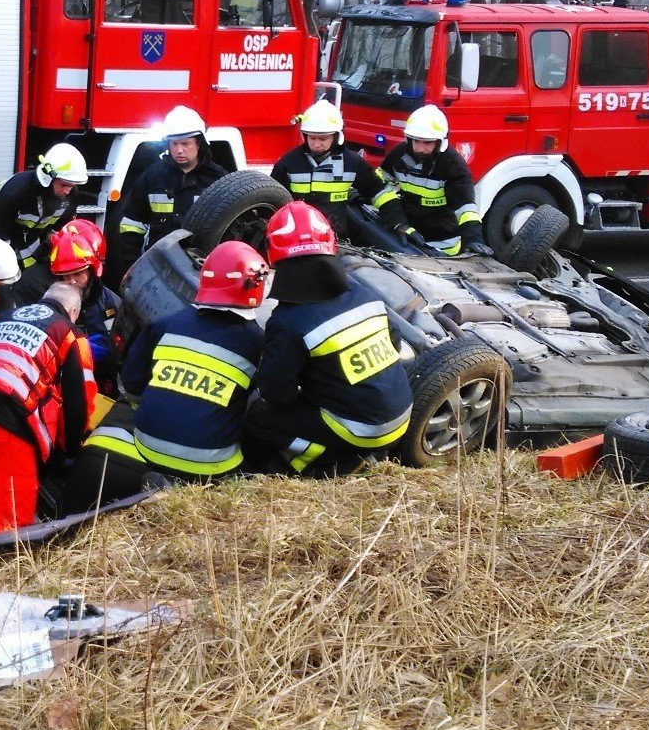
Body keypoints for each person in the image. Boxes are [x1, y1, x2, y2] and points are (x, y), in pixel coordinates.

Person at [66, 240, 268, 511]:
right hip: (211, 465)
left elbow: (131, 383)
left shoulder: (165, 325)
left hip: (146, 446)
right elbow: (265, 401)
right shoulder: (259, 343)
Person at [244, 202, 412, 475]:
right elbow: (394, 346)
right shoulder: (365, 295)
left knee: (259, 417)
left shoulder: (289, 322)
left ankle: (325, 465)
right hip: (402, 416)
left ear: (273, 252)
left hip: (361, 432)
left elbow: (277, 395)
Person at [0, 282, 97, 533]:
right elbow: (79, 401)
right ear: (73, 311)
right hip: (5, 419)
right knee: (12, 521)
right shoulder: (70, 333)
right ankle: (6, 566)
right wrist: (70, 449)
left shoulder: (4, 318)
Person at [270, 98, 413, 249]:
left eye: (323, 138)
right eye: (312, 138)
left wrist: (399, 224)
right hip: (297, 241)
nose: (317, 144)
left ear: (336, 136)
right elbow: (272, 198)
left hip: (337, 241)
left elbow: (381, 193)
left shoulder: (352, 162)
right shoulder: (289, 162)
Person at [113, 105, 229, 278]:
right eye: (174, 143)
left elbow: (229, 226)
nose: (179, 150)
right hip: (158, 265)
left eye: (185, 143)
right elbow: (133, 223)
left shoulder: (218, 179)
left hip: (201, 267)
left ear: (199, 144)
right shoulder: (153, 177)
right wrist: (132, 264)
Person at [14, 219, 121, 387]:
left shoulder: (111, 303)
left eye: (78, 274)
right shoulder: (42, 295)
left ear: (92, 271)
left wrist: (110, 353)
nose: (71, 281)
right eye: (66, 275)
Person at [380, 106, 487, 255]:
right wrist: (363, 191)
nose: (420, 149)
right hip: (406, 236)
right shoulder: (398, 155)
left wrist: (473, 239)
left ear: (439, 142)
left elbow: (466, 208)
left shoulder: (453, 165)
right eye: (416, 141)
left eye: (427, 143)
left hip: (442, 245)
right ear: (408, 138)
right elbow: (380, 184)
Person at [0, 144, 89, 271]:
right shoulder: (18, 192)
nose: (67, 191)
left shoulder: (71, 194)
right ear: (48, 177)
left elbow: (59, 230)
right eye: (63, 185)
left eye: (71, 186)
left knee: (29, 265)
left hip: (28, 229)